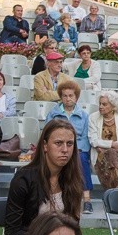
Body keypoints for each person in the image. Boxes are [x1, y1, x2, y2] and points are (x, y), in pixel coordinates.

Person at [2, 119, 100, 235]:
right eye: (58, 143)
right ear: (45, 146)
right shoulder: (24, 178)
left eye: (70, 144)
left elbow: (72, 225)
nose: (65, 150)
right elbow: (12, 231)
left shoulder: (74, 179)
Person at [47, 79, 93, 212]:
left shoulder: (84, 116)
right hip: (57, 146)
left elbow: (85, 137)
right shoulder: (53, 114)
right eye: (65, 96)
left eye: (71, 96)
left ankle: (87, 199)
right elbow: (47, 133)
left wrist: (76, 149)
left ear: (76, 97)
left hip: (77, 148)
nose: (68, 99)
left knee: (82, 159)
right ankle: (52, 197)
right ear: (61, 97)